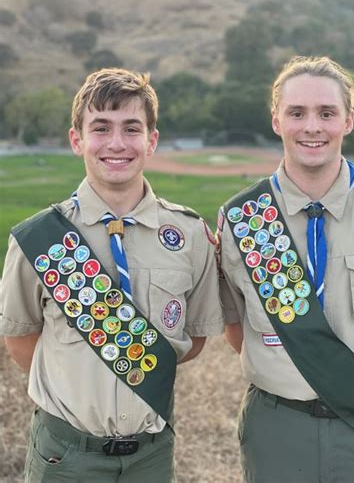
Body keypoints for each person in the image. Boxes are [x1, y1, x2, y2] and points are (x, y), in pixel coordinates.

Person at [217, 56, 354, 483]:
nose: (312, 127)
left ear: (348, 121)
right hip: (277, 425)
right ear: (276, 120)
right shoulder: (242, 219)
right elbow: (235, 326)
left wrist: (347, 379)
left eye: (327, 113)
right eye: (296, 113)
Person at [0, 68, 223, 483]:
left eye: (131, 128)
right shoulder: (39, 239)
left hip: (151, 457)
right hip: (65, 457)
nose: (117, 143)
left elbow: (192, 340)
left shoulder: (190, 235)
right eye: (100, 128)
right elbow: (21, 342)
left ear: (151, 141)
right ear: (77, 140)